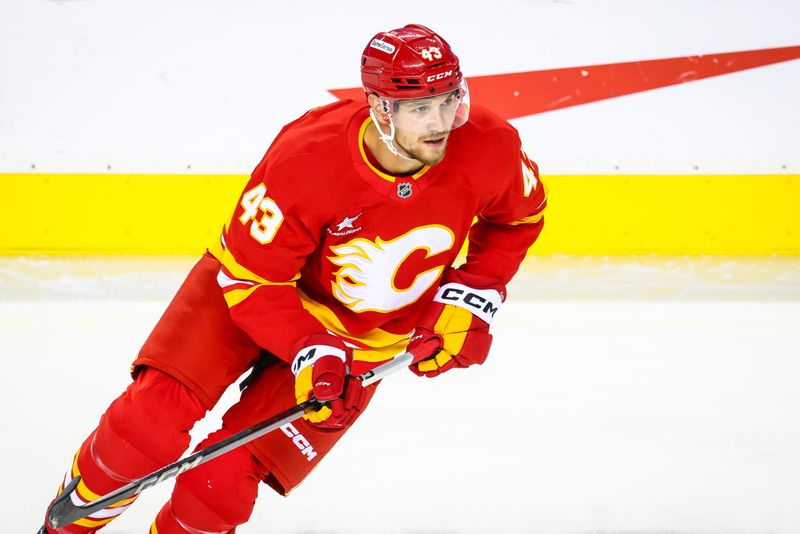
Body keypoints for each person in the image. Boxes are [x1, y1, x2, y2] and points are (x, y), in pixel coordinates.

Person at [39, 23, 547, 534]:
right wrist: (308, 345)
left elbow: (518, 218)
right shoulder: (308, 154)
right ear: (378, 106)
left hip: (359, 338)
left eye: (449, 99)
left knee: (219, 486)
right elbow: (250, 281)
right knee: (143, 428)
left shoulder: (489, 145)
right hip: (253, 293)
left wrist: (474, 293)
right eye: (420, 108)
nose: (441, 123)